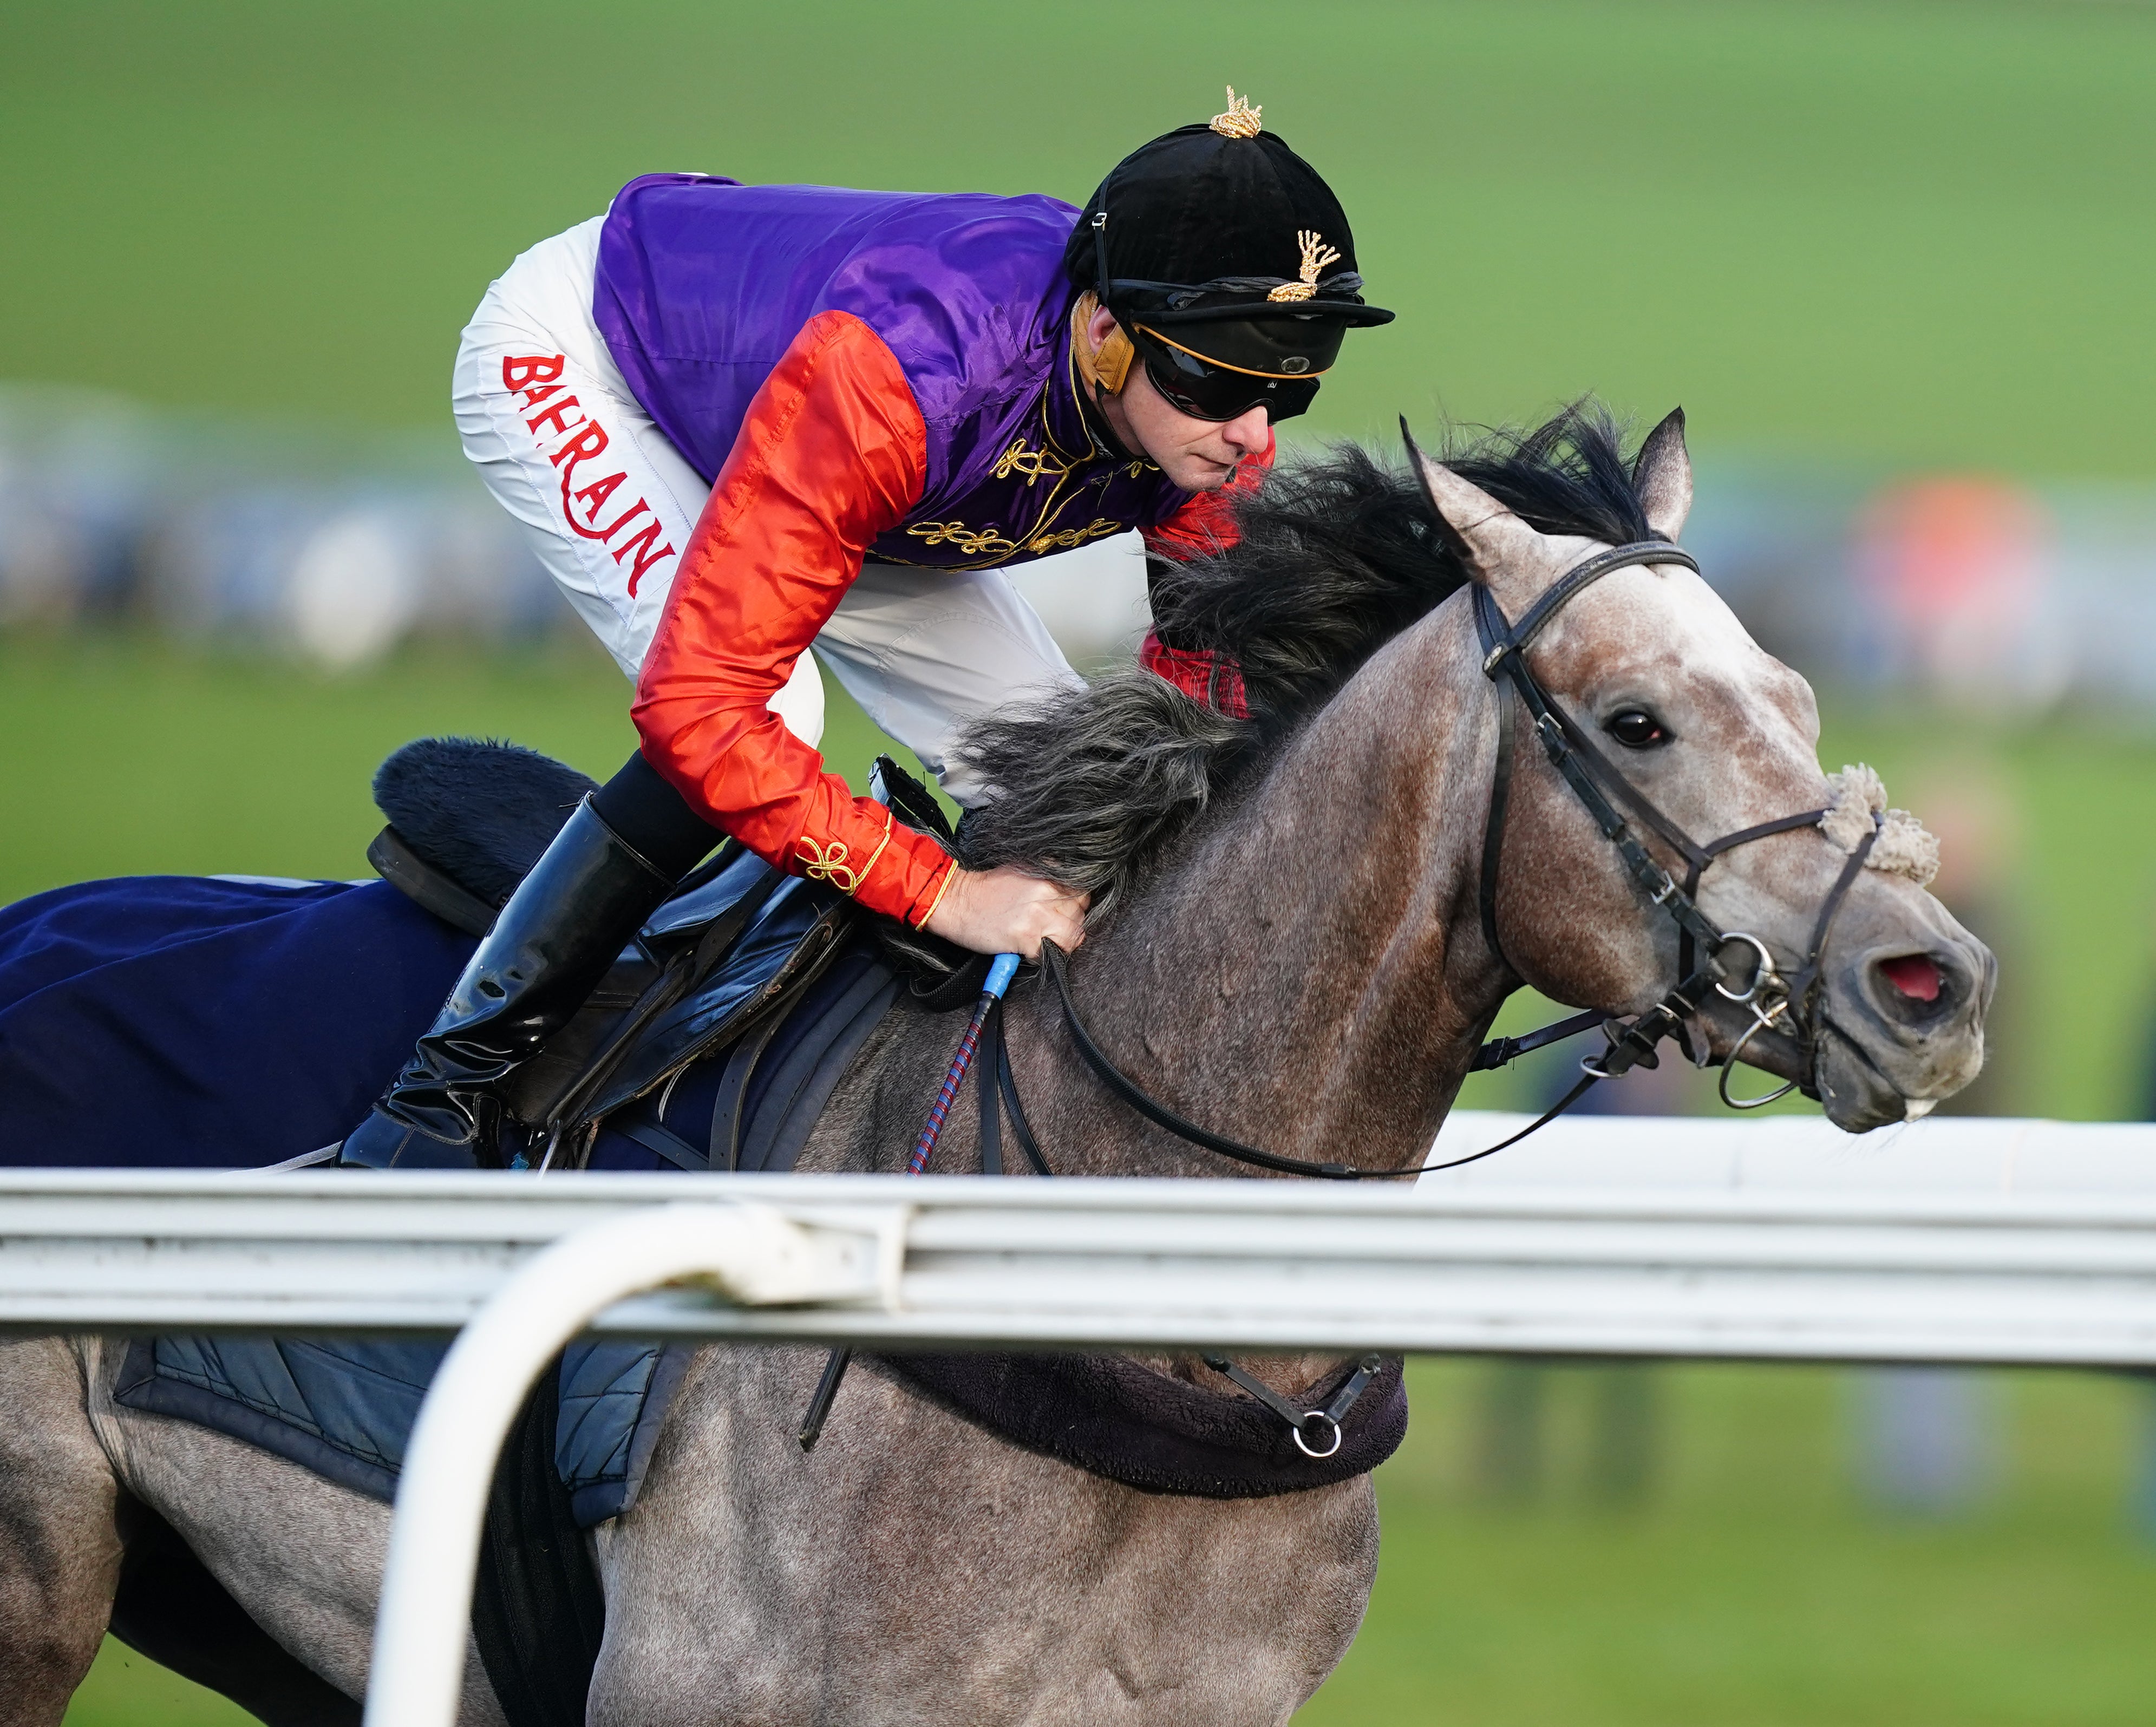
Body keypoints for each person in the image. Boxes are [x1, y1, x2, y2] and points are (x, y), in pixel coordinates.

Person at [341, 89, 1393, 1169]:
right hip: (601, 364)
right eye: (1218, 381)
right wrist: (948, 893)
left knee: (1063, 755)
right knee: (770, 706)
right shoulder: (906, 375)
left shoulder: (1215, 431)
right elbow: (698, 713)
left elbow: (1192, 694)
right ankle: (440, 1092)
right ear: (1105, 331)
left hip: (854, 470)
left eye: (1290, 387)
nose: (1252, 430)